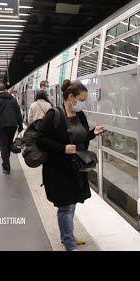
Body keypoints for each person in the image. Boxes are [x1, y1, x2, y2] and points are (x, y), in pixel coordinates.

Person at [38, 79, 105, 251]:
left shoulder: (80, 115)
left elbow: (79, 138)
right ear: (70, 97)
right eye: (81, 99)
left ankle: (67, 236)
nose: (83, 103)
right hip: (58, 170)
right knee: (65, 207)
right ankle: (69, 244)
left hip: (76, 168)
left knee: (72, 203)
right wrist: (62, 148)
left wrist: (92, 134)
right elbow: (41, 140)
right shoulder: (54, 115)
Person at [0, 83, 23, 174]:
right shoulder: (13, 100)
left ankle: (6, 167)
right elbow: (18, 113)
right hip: (12, 125)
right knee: (8, 145)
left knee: (3, 146)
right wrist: (20, 125)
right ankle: (6, 162)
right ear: (5, 90)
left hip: (1, 126)